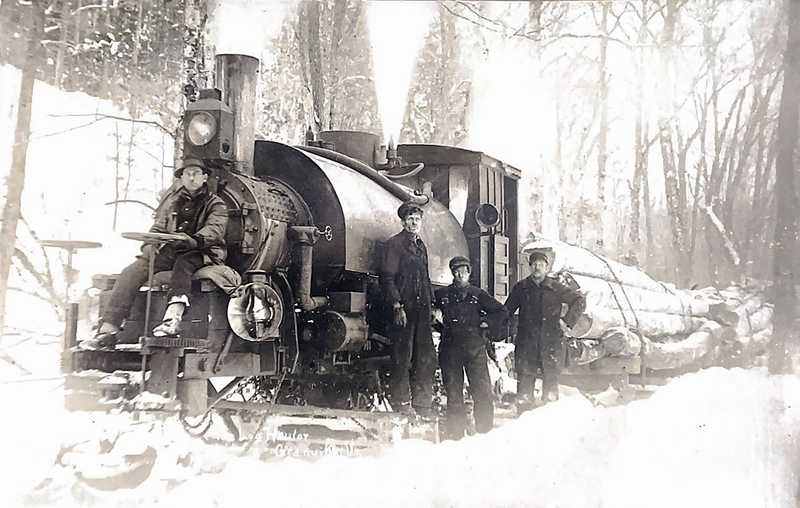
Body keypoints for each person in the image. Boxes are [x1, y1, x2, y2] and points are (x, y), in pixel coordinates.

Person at [82, 159, 228, 348]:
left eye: (196, 173)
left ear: (205, 177)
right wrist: (150, 245)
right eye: (187, 174)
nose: (191, 178)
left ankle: (172, 320)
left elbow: (214, 230)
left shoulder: (215, 204)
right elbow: (158, 226)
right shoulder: (173, 203)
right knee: (133, 270)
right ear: (181, 178)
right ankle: (108, 329)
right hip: (172, 249)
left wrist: (194, 240)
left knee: (183, 265)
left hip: (204, 252)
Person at [434, 255, 507, 439]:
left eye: (464, 271)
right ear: (452, 273)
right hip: (450, 350)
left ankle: (485, 432)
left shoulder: (478, 294)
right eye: (456, 271)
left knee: (481, 392)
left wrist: (484, 322)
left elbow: (501, 312)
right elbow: (430, 313)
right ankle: (455, 435)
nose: (460, 274)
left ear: (469, 272)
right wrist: (436, 323)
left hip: (474, 349)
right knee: (453, 394)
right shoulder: (442, 295)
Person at [504, 248, 586, 409]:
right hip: (527, 344)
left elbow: (579, 300)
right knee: (524, 392)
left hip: (551, 344)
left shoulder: (556, 287)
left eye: (541, 264)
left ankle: (550, 426)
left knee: (550, 393)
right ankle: (523, 423)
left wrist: (567, 322)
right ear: (530, 267)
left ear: (547, 268)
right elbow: (506, 311)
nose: (537, 267)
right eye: (534, 264)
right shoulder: (521, 288)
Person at [379, 201, 436, 418]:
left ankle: (423, 404)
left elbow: (426, 278)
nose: (414, 222)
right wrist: (396, 305)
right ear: (403, 222)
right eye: (410, 218)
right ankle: (402, 402)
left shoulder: (421, 246)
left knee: (425, 354)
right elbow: (388, 277)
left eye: (417, 219)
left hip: (422, 308)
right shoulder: (395, 244)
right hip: (405, 307)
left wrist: (432, 306)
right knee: (403, 356)